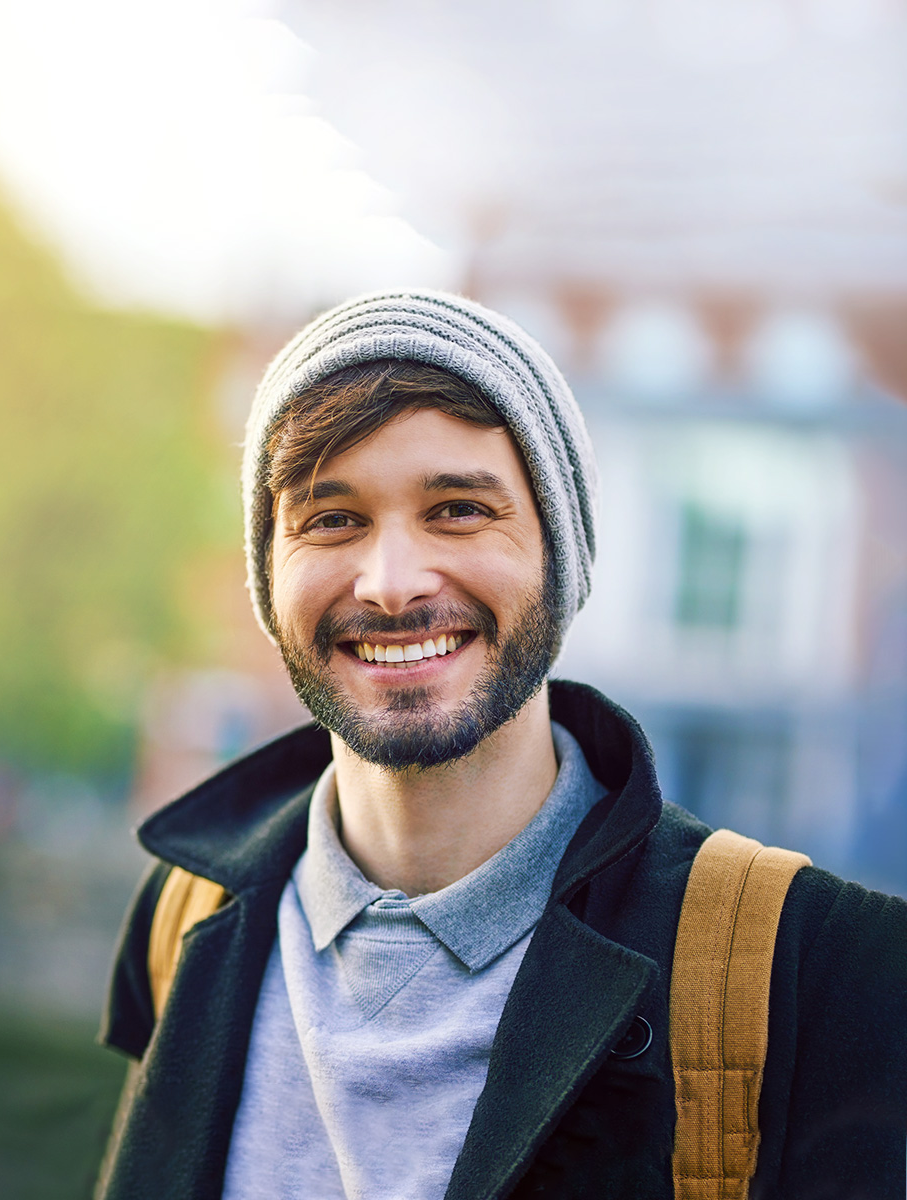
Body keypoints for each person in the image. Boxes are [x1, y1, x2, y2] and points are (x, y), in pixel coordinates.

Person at [96, 291, 907, 1200]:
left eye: (458, 510)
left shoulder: (826, 971)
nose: (393, 583)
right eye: (331, 519)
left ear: (562, 558)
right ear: (268, 576)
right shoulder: (188, 915)